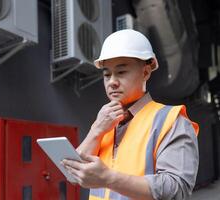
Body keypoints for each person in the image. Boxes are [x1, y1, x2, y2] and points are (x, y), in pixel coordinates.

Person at [61, 29, 199, 200]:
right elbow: (74, 176)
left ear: (146, 72)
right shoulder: (104, 123)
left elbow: (177, 189)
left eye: (121, 72)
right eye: (106, 74)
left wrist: (109, 179)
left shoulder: (171, 120)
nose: (112, 82)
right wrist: (96, 130)